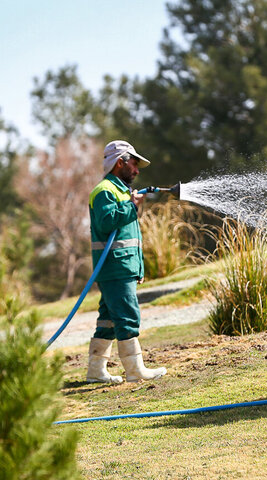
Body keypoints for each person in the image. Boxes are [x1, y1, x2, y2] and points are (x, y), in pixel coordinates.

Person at [85, 140, 168, 383]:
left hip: (121, 266)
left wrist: (137, 267)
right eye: (134, 163)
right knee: (128, 316)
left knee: (109, 319)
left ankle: (95, 371)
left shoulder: (119, 191)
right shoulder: (104, 191)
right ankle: (135, 371)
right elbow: (106, 222)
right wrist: (131, 206)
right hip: (114, 267)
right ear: (119, 162)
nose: (137, 169)